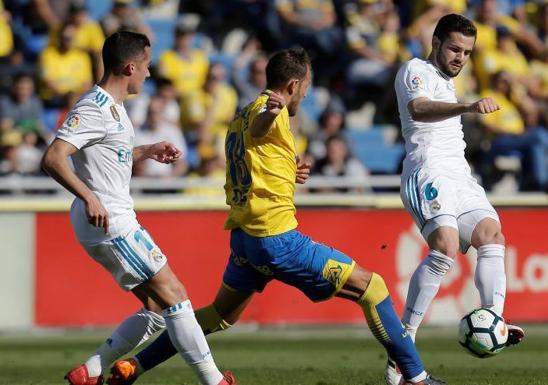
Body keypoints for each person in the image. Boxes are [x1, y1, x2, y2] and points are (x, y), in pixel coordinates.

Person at [107, 47, 444, 385]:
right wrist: (272, 112)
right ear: (294, 84)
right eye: (306, 88)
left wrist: (287, 171)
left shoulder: (238, 116)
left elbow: (252, 154)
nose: (307, 95)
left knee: (219, 315)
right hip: (276, 238)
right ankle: (416, 378)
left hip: (245, 240)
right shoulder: (270, 111)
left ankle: (134, 366)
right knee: (373, 288)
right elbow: (260, 127)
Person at [40, 31, 235, 385]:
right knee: (176, 295)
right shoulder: (94, 107)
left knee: (159, 309)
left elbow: (104, 155)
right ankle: (215, 381)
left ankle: (91, 371)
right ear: (130, 66)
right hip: (109, 220)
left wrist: (146, 151)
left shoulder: (113, 109)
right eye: (146, 65)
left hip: (109, 218)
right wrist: (89, 196)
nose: (148, 73)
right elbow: (53, 157)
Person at [386, 14, 525, 385]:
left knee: (492, 235)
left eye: (467, 52)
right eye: (454, 48)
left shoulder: (451, 82)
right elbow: (419, 109)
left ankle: (495, 320)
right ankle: (404, 346)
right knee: (445, 247)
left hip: (460, 176)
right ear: (435, 43)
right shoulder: (414, 70)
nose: (460, 57)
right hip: (426, 171)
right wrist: (466, 107)